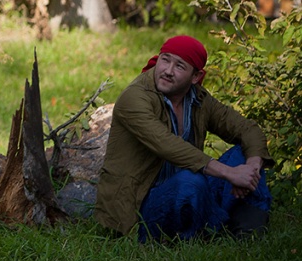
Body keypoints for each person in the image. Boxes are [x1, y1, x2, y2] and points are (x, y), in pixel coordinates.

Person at [94, 35, 273, 242]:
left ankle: (249, 236)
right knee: (190, 182)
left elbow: (247, 129)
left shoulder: (198, 98)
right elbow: (167, 145)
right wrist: (230, 174)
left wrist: (250, 169)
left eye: (179, 66)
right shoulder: (135, 98)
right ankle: (204, 235)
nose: (168, 71)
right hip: (143, 205)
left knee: (244, 154)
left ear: (195, 76)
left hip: (190, 190)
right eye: (165, 59)